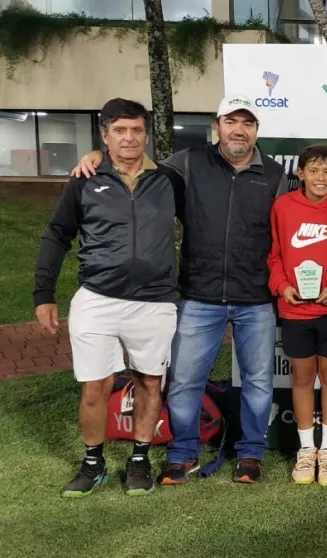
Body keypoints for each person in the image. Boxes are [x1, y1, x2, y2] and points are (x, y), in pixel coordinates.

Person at [73, 95, 289, 485]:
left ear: (256, 130)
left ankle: (251, 454)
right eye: (230, 121)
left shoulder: (274, 175)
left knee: (258, 380)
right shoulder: (187, 163)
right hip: (198, 295)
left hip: (256, 297)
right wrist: (96, 155)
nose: (239, 130)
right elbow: (135, 165)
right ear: (216, 126)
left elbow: (284, 237)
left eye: (247, 123)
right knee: (186, 379)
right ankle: (182, 454)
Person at [35, 98, 178, 497]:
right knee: (94, 386)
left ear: (146, 134)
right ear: (104, 135)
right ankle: (93, 463)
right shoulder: (85, 179)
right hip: (97, 299)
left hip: (155, 300)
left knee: (150, 381)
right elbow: (57, 235)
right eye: (119, 130)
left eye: (136, 130)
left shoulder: (168, 178)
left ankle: (139, 460)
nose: (129, 137)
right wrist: (43, 294)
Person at [267, 144, 327, 486]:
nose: (320, 178)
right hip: (295, 310)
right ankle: (306, 450)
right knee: (301, 379)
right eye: (313, 171)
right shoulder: (283, 206)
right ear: (300, 174)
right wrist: (282, 286)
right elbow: (273, 255)